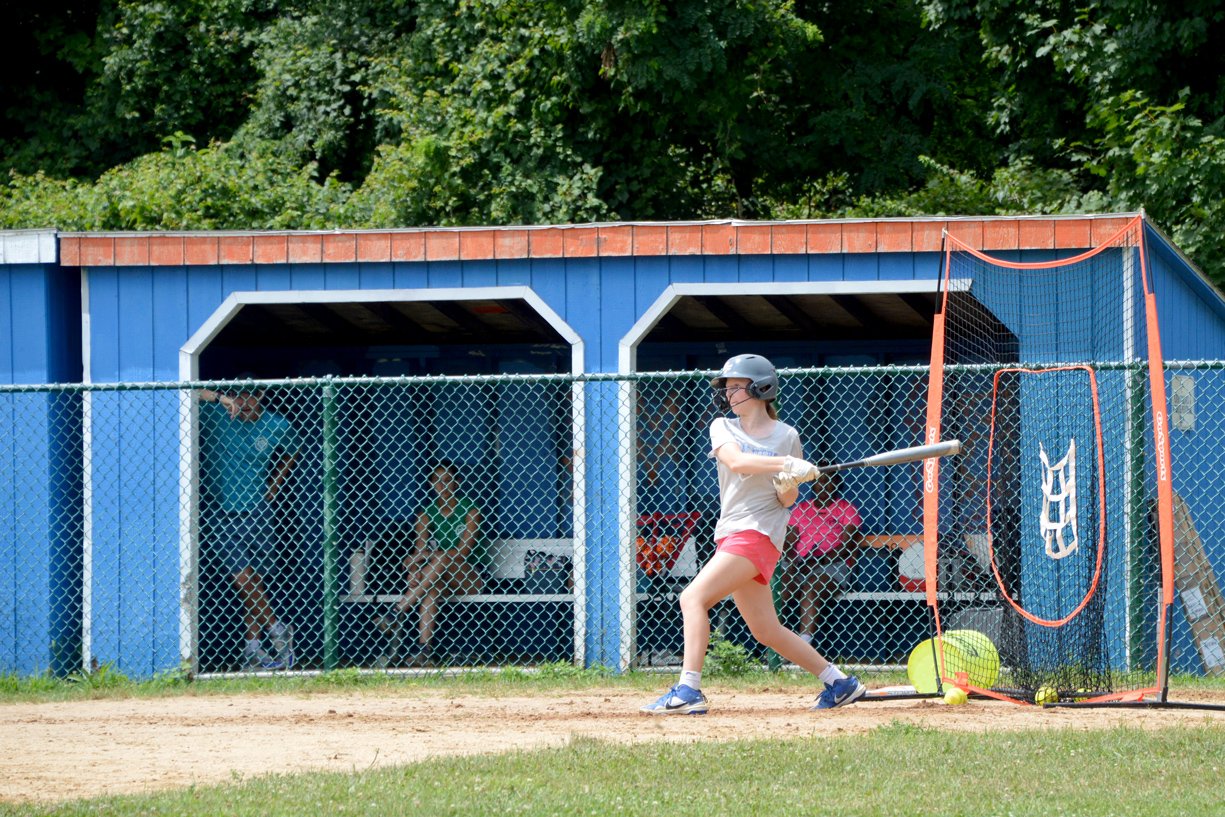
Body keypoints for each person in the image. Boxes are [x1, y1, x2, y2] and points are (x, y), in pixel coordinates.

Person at [641, 354, 867, 714]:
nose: (729, 394)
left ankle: (688, 690)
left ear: (760, 388)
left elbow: (786, 499)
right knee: (766, 629)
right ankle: (839, 682)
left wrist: (790, 481)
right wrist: (786, 465)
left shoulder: (787, 435)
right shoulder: (723, 428)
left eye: (736, 387)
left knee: (692, 598)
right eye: (728, 388)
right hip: (732, 530)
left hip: (759, 533)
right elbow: (737, 462)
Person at [198, 376, 298, 670]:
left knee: (255, 581)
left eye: (249, 396)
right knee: (242, 578)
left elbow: (293, 449)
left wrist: (275, 484)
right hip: (220, 511)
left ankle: (252, 648)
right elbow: (188, 389)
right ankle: (278, 630)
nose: (243, 402)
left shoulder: (276, 425)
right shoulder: (217, 416)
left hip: (257, 509)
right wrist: (220, 399)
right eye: (237, 395)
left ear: (261, 395)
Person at [376, 460, 486, 667]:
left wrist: (425, 556)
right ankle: (424, 650)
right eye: (437, 481)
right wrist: (415, 570)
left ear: (457, 483)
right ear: (431, 484)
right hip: (437, 578)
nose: (443, 486)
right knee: (431, 588)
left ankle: (398, 611)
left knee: (443, 557)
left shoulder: (471, 510)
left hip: (469, 577)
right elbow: (418, 551)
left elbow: (462, 552)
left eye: (448, 481)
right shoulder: (426, 514)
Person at [779, 471, 862, 646]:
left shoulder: (847, 509)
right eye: (819, 481)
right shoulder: (801, 508)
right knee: (780, 589)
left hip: (831, 566)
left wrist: (817, 561)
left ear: (837, 484)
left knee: (812, 587)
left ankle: (802, 646)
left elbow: (846, 547)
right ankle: (776, 645)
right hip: (799, 565)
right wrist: (794, 561)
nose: (823, 485)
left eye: (829, 480)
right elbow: (789, 542)